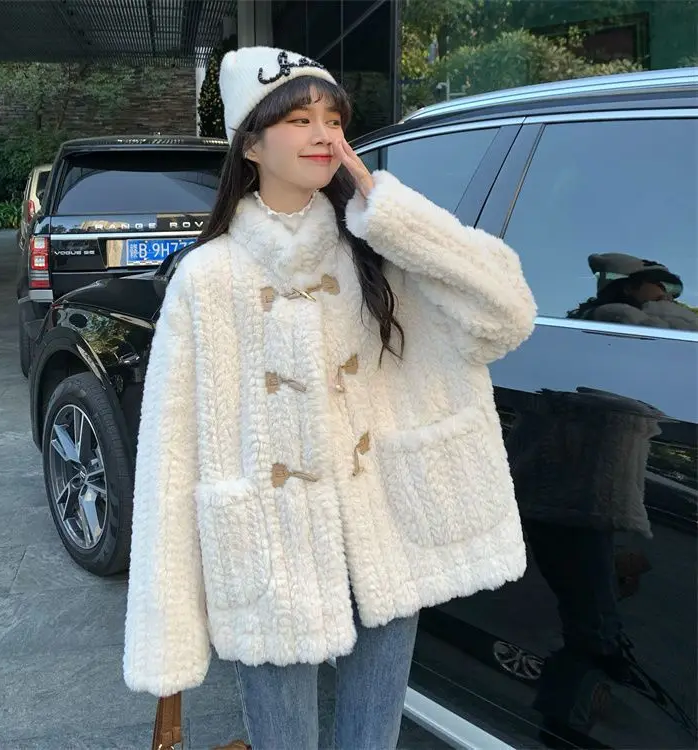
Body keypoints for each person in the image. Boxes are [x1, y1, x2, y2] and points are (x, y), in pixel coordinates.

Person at [123, 47, 537, 750]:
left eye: (335, 119)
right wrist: (168, 630)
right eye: (300, 119)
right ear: (250, 145)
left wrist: (393, 214)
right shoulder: (207, 277)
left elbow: (507, 315)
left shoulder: (376, 248)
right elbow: (170, 451)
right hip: (266, 554)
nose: (325, 135)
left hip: (384, 535)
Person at [567, 253, 698, 331]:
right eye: (660, 284)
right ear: (629, 288)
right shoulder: (616, 313)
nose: (667, 294)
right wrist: (666, 309)